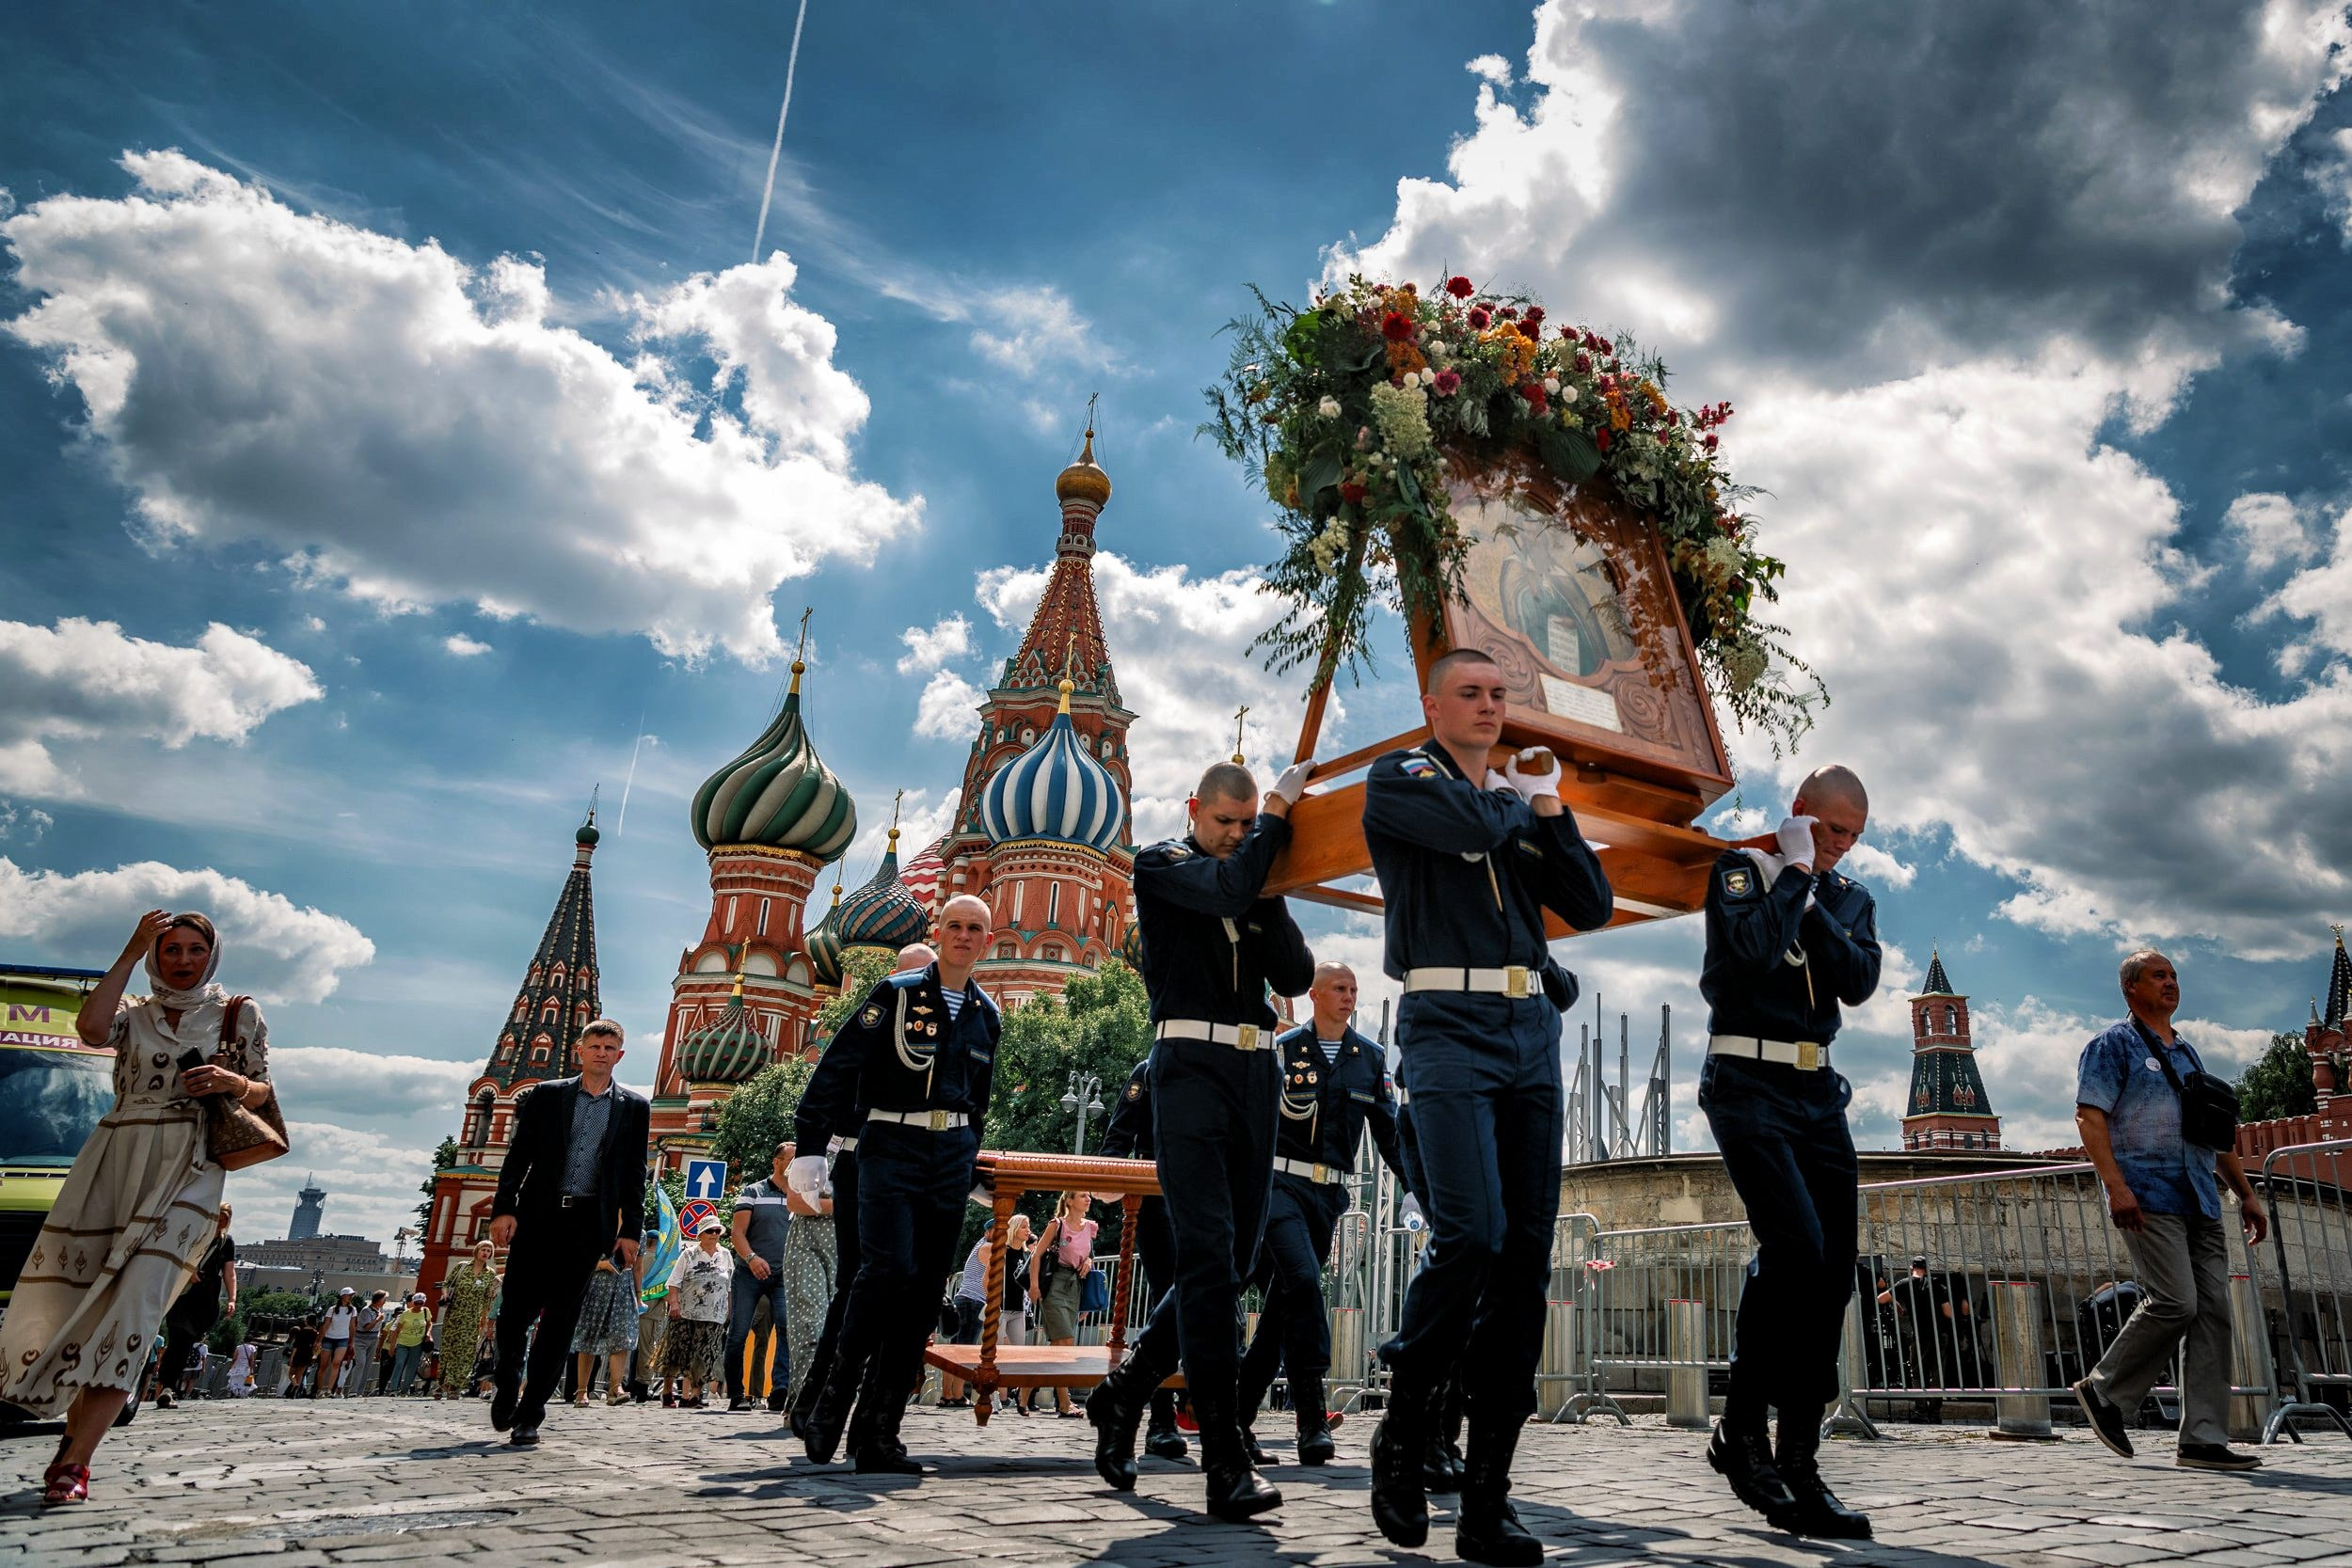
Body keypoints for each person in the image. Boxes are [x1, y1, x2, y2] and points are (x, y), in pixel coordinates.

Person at [1359, 649, 1612, 1565]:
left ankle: (1487, 1500)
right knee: (1468, 1233)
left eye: (1500, 694)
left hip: (1527, 1033)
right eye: (1470, 692)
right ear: (1433, 704)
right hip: (1445, 1026)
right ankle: (1404, 1427)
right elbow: (1469, 823)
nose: (1489, 705)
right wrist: (1515, 796)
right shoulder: (1402, 778)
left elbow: (1589, 900)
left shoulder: (1514, 804)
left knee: (1522, 1262)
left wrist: (1552, 809)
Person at [1086, 755, 1315, 1522]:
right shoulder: (1163, 864)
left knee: (1236, 1262)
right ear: (1194, 808)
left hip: (1255, 1071)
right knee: (1209, 1256)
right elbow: (1221, 889)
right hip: (1187, 1067)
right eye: (1226, 821)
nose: (1238, 834)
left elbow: (1296, 971)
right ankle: (1223, 1460)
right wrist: (1275, 818)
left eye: (1248, 824)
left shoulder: (1249, 877)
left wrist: (1271, 884)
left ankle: (1124, 1390)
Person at [0, 911, 274, 1504]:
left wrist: (229, 1082)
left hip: (192, 1165)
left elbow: (261, 1089)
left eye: (195, 949)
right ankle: (72, 1437)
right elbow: (91, 1030)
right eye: (170, 949)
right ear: (155, 955)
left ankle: (77, 1461)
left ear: (212, 955)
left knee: (138, 1303)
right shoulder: (133, 1011)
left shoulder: (238, 1012)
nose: (183, 960)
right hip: (115, 1156)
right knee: (86, 1302)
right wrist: (128, 952)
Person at [1696, 764, 1881, 1541]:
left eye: (1854, 836)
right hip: (1746, 1080)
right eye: (1833, 829)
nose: (1842, 845)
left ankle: (1799, 1459)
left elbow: (1859, 978)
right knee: (1794, 1245)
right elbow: (1747, 954)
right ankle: (1742, 1430)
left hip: (1816, 1092)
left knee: (1833, 1267)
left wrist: (1810, 898)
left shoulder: (1849, 896)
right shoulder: (1740, 869)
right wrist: (1794, 875)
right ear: (1801, 812)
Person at [792, 899, 999, 1474]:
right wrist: (810, 1145)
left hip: (950, 1154)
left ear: (987, 940)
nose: (963, 936)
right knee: (886, 1271)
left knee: (926, 1289)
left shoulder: (986, 1014)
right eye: (954, 926)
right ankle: (833, 1398)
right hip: (890, 1142)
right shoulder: (897, 993)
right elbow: (837, 1066)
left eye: (975, 929)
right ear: (940, 932)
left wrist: (971, 1166)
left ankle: (880, 1431)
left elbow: (977, 1101)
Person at [2071, 950, 2269, 1473]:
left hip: (2200, 1195)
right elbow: (2089, 1117)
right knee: (2176, 1300)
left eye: (2174, 975)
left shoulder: (2187, 1053)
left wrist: (2245, 1193)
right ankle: (2103, 1390)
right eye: (2158, 975)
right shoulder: (2112, 1045)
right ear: (2130, 988)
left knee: (2213, 1312)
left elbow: (2214, 1132)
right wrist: (2116, 1187)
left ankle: (2203, 1438)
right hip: (2148, 1194)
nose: (2171, 983)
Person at [1239, 961, 1417, 1465]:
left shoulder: (1370, 1059)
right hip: (1280, 1187)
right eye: (1339, 988)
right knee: (1302, 1281)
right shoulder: (1281, 1051)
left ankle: (1236, 1417)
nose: (1349, 996)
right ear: (1314, 995)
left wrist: (1415, 1190)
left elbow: (1389, 1134)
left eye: (1354, 989)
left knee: (1281, 1311)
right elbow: (1251, 1123)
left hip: (1328, 1197)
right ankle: (1312, 1418)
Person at [788, 940, 936, 1441]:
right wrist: (811, 1148)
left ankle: (872, 1414)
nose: (919, 990)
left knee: (907, 1285)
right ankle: (817, 1397)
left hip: (923, 1165)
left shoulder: (948, 1023)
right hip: (861, 1158)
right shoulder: (876, 1021)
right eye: (910, 978)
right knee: (860, 1281)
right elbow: (830, 1079)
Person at [486, 1018, 651, 1447]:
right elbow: (518, 1155)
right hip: (537, 1218)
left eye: (609, 1047)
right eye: (594, 1046)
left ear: (619, 1055)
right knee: (515, 1315)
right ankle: (507, 1383)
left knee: (560, 1322)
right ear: (580, 1050)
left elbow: (635, 1175)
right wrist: (504, 1209)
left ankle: (531, 1414)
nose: (601, 1053)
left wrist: (630, 1232)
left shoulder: (634, 1107)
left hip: (587, 1226)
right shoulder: (547, 1094)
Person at [1096, 1057, 1185, 1456]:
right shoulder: (1149, 1070)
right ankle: (1161, 1419)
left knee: (1213, 1299)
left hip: (1207, 1194)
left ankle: (1210, 1411)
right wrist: (1117, 1181)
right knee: (1168, 1297)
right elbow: (1117, 1141)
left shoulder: (1221, 1066)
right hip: (1156, 1192)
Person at [725, 1142, 798, 1411]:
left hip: (784, 1275)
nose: (796, 1164)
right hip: (749, 1273)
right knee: (738, 1333)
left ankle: (780, 1390)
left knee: (787, 1329)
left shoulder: (801, 1195)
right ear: (777, 1162)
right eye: (791, 1159)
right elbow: (737, 1234)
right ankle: (736, 1394)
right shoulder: (753, 1191)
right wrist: (752, 1258)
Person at [153, 1205, 237, 1409]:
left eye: (225, 1219)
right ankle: (167, 1386)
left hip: (205, 1299)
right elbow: (176, 1254)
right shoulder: (197, 1233)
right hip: (184, 1293)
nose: (220, 1222)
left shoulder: (226, 1242)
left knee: (184, 1343)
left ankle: (167, 1387)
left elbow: (229, 1272)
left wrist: (232, 1299)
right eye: (218, 1217)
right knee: (178, 1340)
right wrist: (188, 1270)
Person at [1027, 1193, 1099, 1417]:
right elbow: (1036, 1256)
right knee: (1065, 1342)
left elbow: (1089, 1255)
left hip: (1075, 1286)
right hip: (1055, 1284)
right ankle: (1065, 1403)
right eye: (1082, 1195)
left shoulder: (1090, 1227)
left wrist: (1089, 1261)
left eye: (1089, 1196)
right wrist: (1034, 1285)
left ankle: (1026, 1388)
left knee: (1059, 1346)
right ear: (1069, 1200)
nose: (1088, 1199)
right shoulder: (1057, 1224)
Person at [778, 1153, 836, 1411]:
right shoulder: (812, 1151)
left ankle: (816, 1400)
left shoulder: (869, 1150)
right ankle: (806, 1401)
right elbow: (795, 1202)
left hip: (848, 1245)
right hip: (807, 1243)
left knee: (841, 1330)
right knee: (809, 1323)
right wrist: (846, 1205)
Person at [662, 1217, 735, 1407]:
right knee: (677, 1353)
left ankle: (695, 1395)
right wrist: (674, 1304)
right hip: (686, 1312)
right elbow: (674, 1282)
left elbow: (729, 1286)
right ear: (700, 1234)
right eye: (710, 1231)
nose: (714, 1234)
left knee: (704, 1354)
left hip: (713, 1314)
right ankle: (667, 1392)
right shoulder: (688, 1254)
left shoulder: (726, 1254)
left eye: (717, 1231)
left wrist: (729, 1308)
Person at [570, 1246, 640, 1407]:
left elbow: (638, 1268)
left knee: (621, 1338)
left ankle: (616, 1388)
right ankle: (581, 1391)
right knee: (588, 1339)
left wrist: (639, 1296)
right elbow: (578, 1260)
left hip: (624, 1289)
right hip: (596, 1288)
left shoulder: (638, 1235)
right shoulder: (598, 1232)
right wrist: (601, 1265)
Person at [629, 1227, 666, 1402]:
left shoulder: (637, 1259)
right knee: (647, 1350)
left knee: (625, 1349)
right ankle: (642, 1389)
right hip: (651, 1312)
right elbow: (664, 1289)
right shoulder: (660, 1262)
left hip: (632, 1307)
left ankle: (622, 1385)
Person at [316, 1288, 359, 1400]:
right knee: (323, 1365)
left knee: (336, 1363)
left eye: (351, 1295)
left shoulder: (353, 1310)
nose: (350, 1297)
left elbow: (352, 1326)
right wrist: (320, 1340)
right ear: (342, 1296)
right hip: (329, 1337)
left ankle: (329, 1389)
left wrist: (351, 1341)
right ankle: (320, 1389)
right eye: (349, 1295)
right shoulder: (332, 1309)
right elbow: (326, 1324)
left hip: (343, 1338)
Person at [386, 1292, 433, 1394]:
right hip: (403, 1342)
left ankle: (405, 1389)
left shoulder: (426, 1311)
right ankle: (393, 1388)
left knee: (412, 1367)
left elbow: (429, 1324)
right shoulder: (405, 1314)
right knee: (399, 1363)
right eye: (416, 1303)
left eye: (421, 1303)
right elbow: (396, 1330)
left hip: (417, 1343)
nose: (418, 1305)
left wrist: (428, 1334)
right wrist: (392, 1346)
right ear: (413, 1302)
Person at [349, 1291, 387, 1396]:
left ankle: (359, 1392)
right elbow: (366, 1327)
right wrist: (378, 1320)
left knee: (367, 1366)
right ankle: (353, 1390)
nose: (385, 1301)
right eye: (384, 1299)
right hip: (361, 1340)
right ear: (379, 1300)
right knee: (361, 1364)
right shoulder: (366, 1310)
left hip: (373, 1340)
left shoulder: (379, 1310)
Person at [285, 1312, 322, 1398]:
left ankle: (295, 1384)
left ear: (307, 1321)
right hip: (307, 1354)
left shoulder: (301, 1332)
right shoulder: (315, 1333)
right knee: (300, 1374)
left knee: (291, 1373)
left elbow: (296, 1346)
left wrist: (291, 1357)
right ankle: (296, 1391)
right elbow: (316, 1346)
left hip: (298, 1353)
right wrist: (314, 1355)